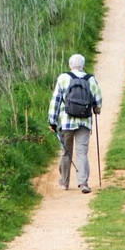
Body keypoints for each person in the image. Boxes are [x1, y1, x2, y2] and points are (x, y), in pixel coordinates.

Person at [47, 54, 103, 194]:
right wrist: (96, 109)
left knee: (66, 152)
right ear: (83, 65)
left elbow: (56, 101)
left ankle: (64, 182)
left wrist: (52, 121)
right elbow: (98, 99)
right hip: (84, 121)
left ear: (70, 65)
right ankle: (83, 183)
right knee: (82, 152)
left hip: (66, 122)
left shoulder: (63, 78)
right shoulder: (90, 79)